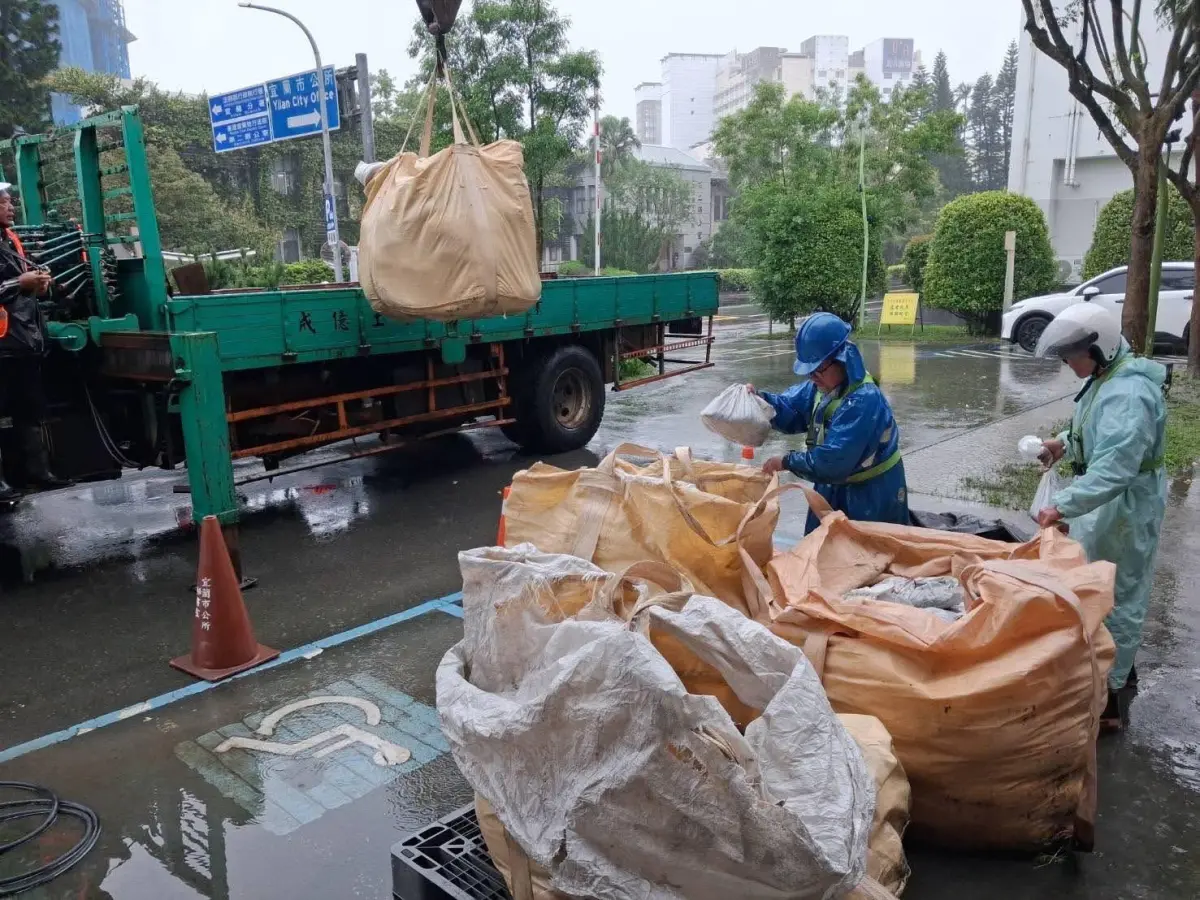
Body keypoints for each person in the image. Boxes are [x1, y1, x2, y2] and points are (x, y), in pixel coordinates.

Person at [1033, 303, 1166, 731]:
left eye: (1074, 356)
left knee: (1118, 596)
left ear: (1100, 348)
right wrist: (1062, 444)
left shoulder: (1129, 395)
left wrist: (1063, 506)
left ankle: (1111, 701)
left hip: (1125, 504)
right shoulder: (1107, 378)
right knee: (1097, 586)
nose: (1070, 365)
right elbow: (1091, 432)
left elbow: (1116, 467)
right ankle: (1114, 673)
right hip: (1108, 502)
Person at [752, 312, 909, 533]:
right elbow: (791, 410)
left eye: (818, 369)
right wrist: (760, 401)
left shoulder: (863, 400)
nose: (812, 378)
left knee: (868, 556)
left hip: (871, 493)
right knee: (821, 549)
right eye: (809, 372)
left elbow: (832, 462)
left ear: (842, 359)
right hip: (835, 486)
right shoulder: (821, 386)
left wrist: (786, 461)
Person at [0, 182, 70, 499]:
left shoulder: (9, 241)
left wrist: (37, 285)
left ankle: (38, 473)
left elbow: (20, 289)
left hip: (22, 342)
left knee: (29, 409)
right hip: (3, 345)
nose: (11, 206)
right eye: (4, 202)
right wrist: (20, 281)